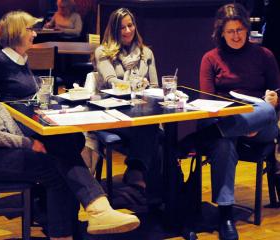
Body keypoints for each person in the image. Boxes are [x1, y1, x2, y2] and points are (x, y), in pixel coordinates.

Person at [0, 17, 140, 240]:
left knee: (64, 141)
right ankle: (66, 232)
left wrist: (20, 136)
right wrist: (25, 143)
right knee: (53, 167)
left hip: (2, 144)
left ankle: (99, 209)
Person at [180, 3, 280, 240]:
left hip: (261, 122)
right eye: (230, 31)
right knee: (224, 144)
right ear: (221, 33)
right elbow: (207, 101)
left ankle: (208, 136)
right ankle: (225, 215)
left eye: (240, 30)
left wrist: (275, 99)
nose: (236, 36)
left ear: (247, 29)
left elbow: (277, 91)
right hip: (224, 117)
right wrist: (239, 123)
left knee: (265, 110)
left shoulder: (264, 55)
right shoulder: (211, 58)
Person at [94, 8, 160, 193]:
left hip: (142, 112)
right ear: (114, 30)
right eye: (122, 27)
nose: (127, 31)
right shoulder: (103, 52)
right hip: (111, 114)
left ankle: (149, 190)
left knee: (158, 134)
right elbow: (112, 81)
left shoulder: (146, 53)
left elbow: (155, 87)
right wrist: (135, 85)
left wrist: (148, 88)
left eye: (130, 25)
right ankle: (142, 178)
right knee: (155, 132)